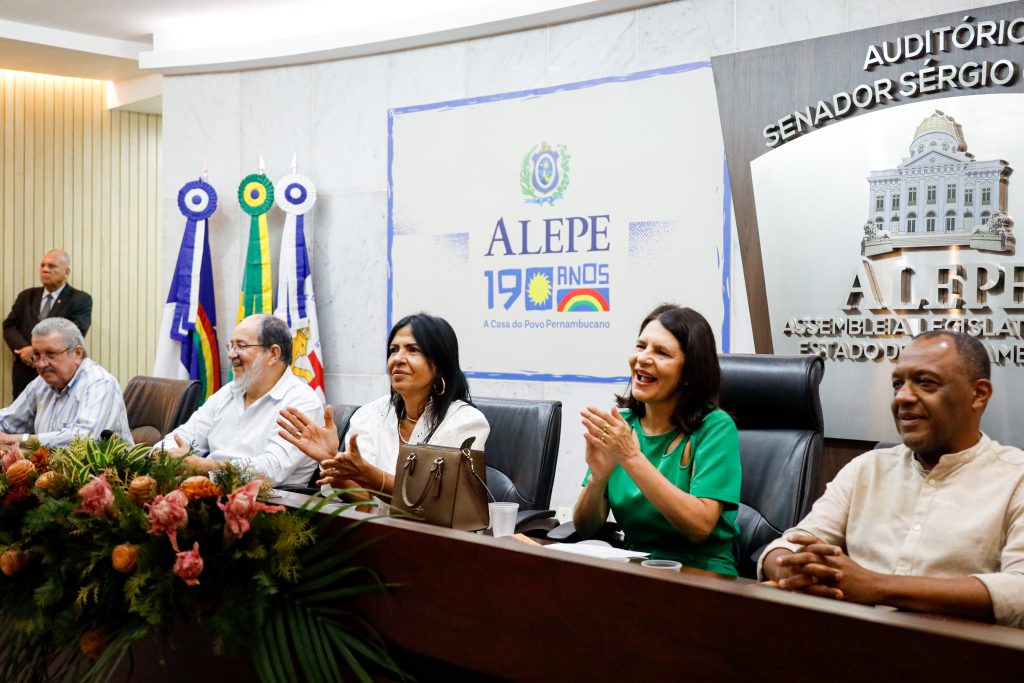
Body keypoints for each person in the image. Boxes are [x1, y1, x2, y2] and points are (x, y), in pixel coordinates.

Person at [759, 331, 1024, 628]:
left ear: (979, 394)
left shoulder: (1016, 478)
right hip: (852, 638)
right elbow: (788, 545)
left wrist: (876, 586)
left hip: (959, 648)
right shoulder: (866, 468)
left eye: (925, 382)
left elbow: (1018, 592)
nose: (903, 397)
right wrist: (792, 571)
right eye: (898, 384)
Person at [571, 304, 742, 576]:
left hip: (700, 573)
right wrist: (597, 479)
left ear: (690, 372)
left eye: (661, 352)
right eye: (641, 346)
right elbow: (585, 527)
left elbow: (700, 526)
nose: (643, 358)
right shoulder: (622, 426)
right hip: (636, 567)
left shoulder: (715, 428)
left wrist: (630, 457)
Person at [278, 313, 489, 497]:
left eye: (413, 350)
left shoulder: (465, 422)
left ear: (441, 364)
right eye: (394, 350)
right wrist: (331, 460)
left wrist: (369, 474)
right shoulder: (371, 414)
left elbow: (433, 502)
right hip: (377, 527)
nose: (398, 359)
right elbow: (366, 500)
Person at [156, 314, 322, 488]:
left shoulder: (302, 401)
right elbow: (180, 437)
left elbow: (272, 469)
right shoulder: (228, 392)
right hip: (210, 493)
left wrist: (204, 467)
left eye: (241, 346)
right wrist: (163, 455)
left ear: (273, 354)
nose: (231, 355)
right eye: (231, 346)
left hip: (270, 500)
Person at [0, 317, 130, 447]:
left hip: (101, 461)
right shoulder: (42, 382)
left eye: (51, 354)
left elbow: (83, 439)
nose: (41, 364)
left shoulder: (99, 383)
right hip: (51, 460)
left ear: (77, 353)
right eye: (37, 355)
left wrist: (22, 439)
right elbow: (7, 421)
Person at [3, 250, 93, 399]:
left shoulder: (80, 299)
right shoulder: (26, 296)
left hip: (60, 373)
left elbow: (76, 332)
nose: (45, 269)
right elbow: (9, 325)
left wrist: (34, 350)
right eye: (42, 265)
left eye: (51, 266)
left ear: (66, 272)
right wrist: (24, 349)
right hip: (25, 371)